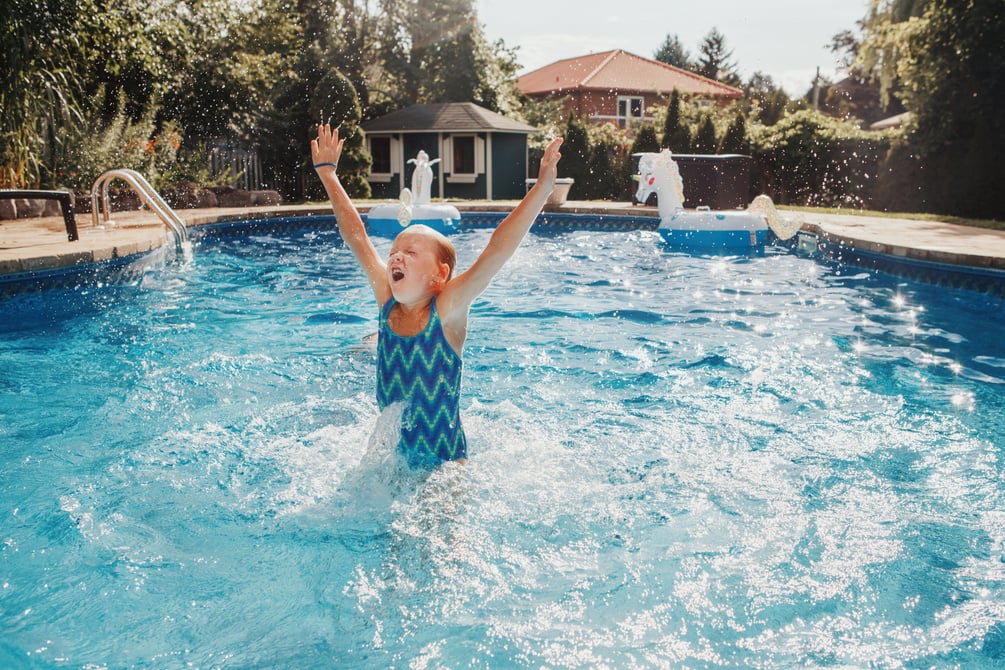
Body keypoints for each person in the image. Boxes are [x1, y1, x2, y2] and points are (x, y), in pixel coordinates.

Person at [311, 123, 563, 468]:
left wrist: (542, 189)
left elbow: (496, 250)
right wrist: (328, 175)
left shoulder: (446, 311)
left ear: (439, 275)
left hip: (444, 463)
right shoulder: (387, 301)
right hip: (393, 458)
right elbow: (358, 238)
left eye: (411, 252)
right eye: (396, 250)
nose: (396, 255)